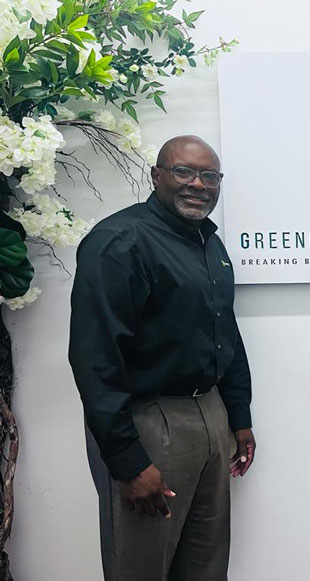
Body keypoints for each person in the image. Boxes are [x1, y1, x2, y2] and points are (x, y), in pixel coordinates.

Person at [69, 135, 255, 581]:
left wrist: (239, 415)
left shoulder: (208, 243)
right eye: (183, 171)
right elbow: (95, 358)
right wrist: (127, 460)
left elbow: (223, 331)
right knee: (141, 564)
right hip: (148, 422)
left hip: (209, 414)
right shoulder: (119, 242)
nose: (198, 184)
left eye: (210, 176)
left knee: (206, 565)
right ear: (156, 176)